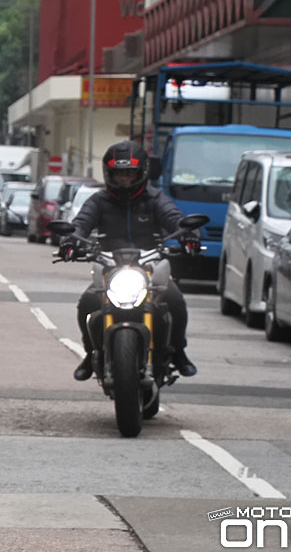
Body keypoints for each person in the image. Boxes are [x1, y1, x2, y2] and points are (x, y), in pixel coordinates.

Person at [60, 140, 200, 381]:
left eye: (129, 173)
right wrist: (70, 241)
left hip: (149, 265)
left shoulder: (155, 198)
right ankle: (90, 352)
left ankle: (178, 351)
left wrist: (188, 235)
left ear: (142, 173)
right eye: (119, 174)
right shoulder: (98, 201)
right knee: (87, 303)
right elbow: (81, 224)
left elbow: (174, 217)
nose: (124, 179)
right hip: (110, 267)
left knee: (175, 300)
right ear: (109, 174)